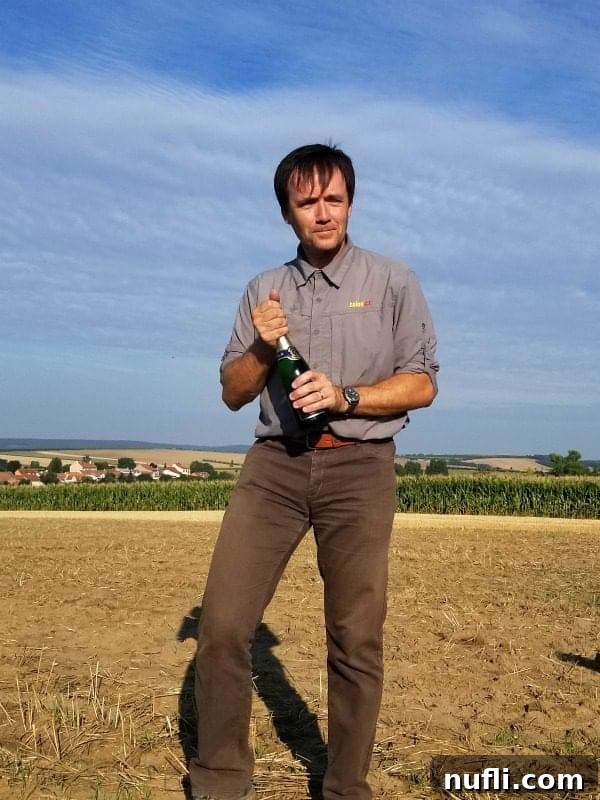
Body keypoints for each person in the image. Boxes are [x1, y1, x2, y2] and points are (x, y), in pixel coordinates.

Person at [189, 143, 439, 800]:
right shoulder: (261, 292)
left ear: (350, 201)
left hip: (360, 468)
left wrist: (346, 396)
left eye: (333, 198)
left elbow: (421, 385)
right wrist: (261, 344)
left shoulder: (392, 282)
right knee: (222, 625)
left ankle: (346, 786)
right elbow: (233, 391)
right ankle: (218, 782)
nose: (322, 213)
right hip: (274, 469)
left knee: (355, 636)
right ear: (287, 213)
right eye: (307, 202)